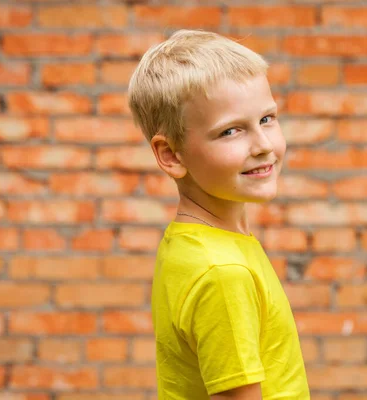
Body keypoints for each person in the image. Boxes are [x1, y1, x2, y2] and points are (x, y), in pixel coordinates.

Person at [128, 29, 310, 399]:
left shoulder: (193, 242)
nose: (262, 145)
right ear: (172, 155)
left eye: (267, 119)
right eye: (230, 131)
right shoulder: (223, 273)